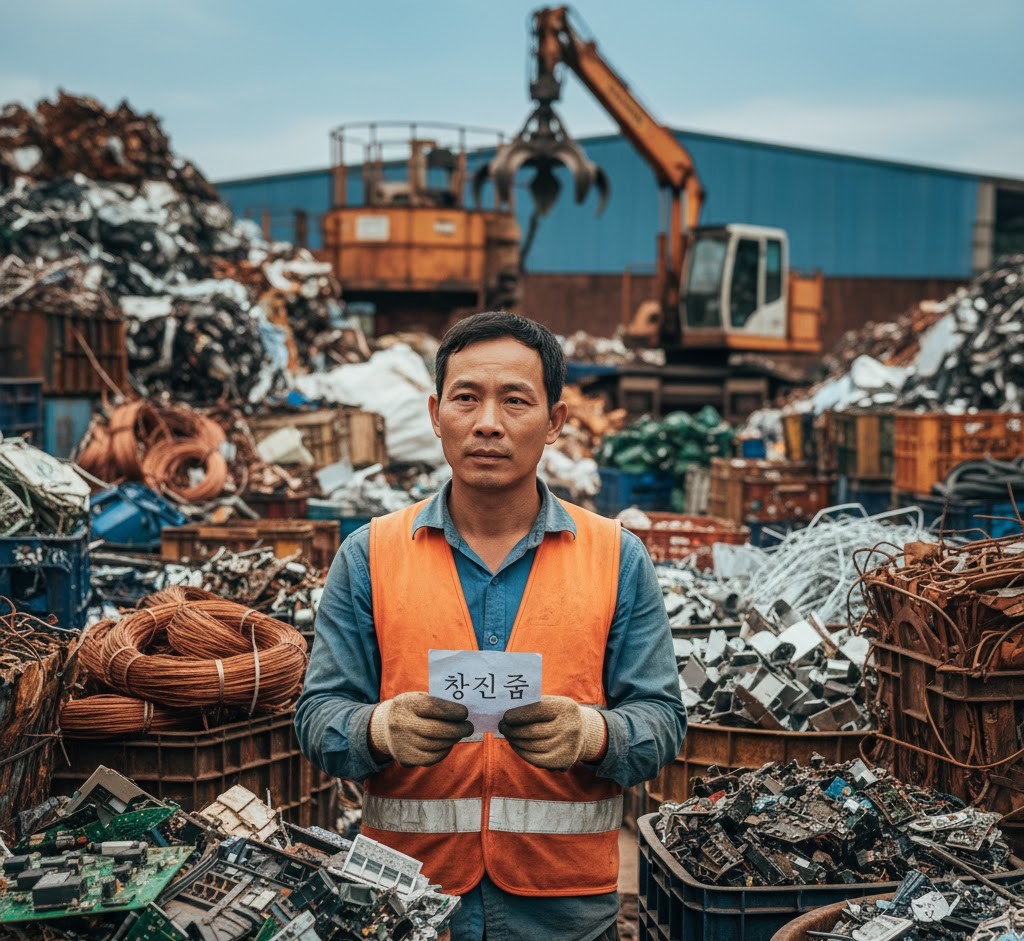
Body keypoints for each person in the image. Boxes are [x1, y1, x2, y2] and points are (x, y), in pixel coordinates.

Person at [295, 311, 686, 941]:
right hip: (404, 904)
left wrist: (594, 734)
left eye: (515, 401)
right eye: (466, 398)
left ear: (555, 421)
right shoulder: (370, 554)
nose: (487, 423)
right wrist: (378, 728)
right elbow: (317, 716)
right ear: (436, 414)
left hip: (563, 913)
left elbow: (662, 721)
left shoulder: (616, 556)